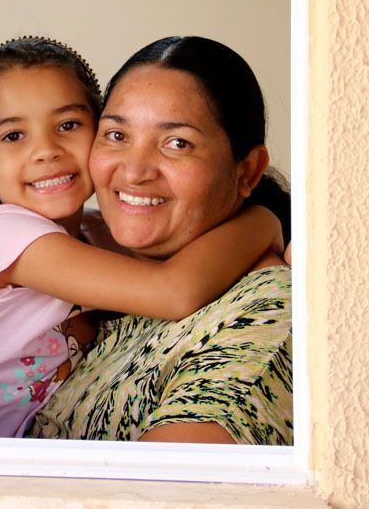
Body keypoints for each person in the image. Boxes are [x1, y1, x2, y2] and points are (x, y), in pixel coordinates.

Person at [0, 36, 283, 438]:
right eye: (14, 135)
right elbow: (173, 290)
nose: (46, 151)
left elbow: (196, 267)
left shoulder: (99, 233)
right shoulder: (2, 235)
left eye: (68, 126)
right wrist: (265, 223)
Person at [28, 35, 293, 445]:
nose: (134, 171)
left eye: (177, 143)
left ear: (248, 171)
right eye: (116, 135)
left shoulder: (264, 314)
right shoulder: (100, 262)